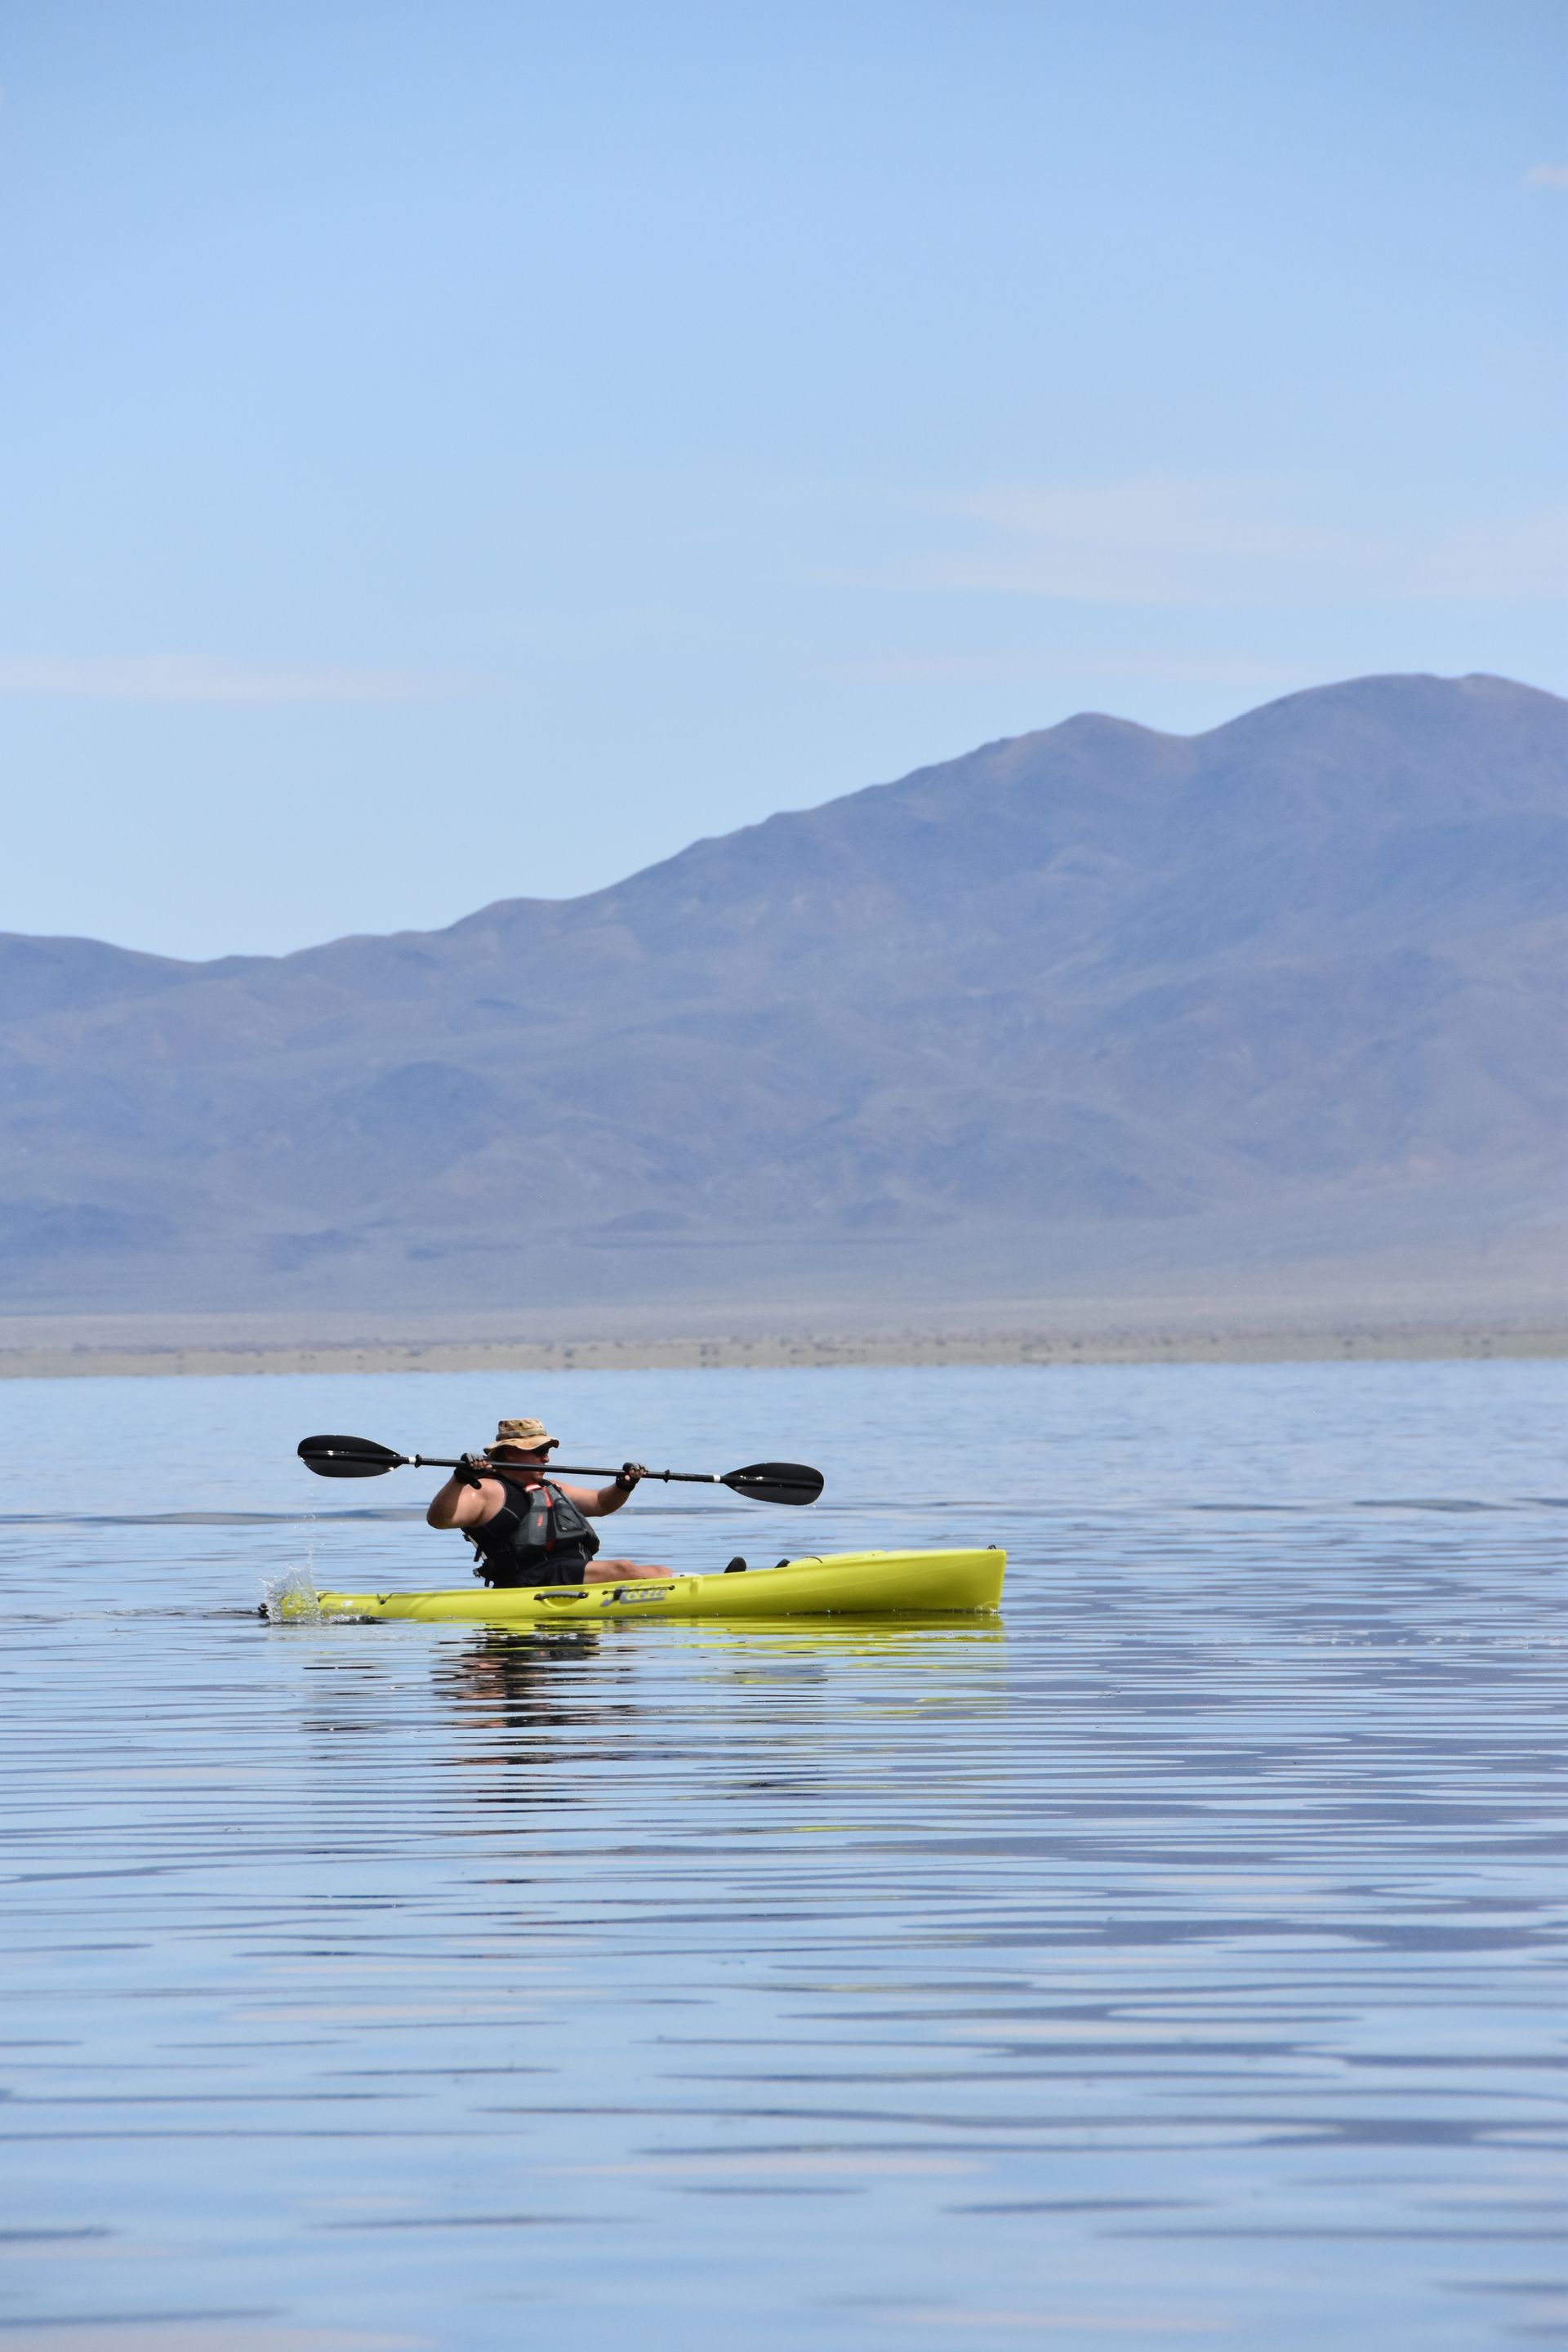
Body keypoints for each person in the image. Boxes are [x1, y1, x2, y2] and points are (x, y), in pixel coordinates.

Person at [425, 1416, 674, 1588]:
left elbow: (600, 1503)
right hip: (530, 1579)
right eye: (538, 1450)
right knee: (623, 1569)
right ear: (511, 1452)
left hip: (571, 1573)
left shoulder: (551, 1487)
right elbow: (438, 1520)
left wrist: (625, 1485)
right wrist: (460, 1479)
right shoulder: (486, 1490)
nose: (546, 1457)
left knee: (662, 1572)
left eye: (547, 1451)